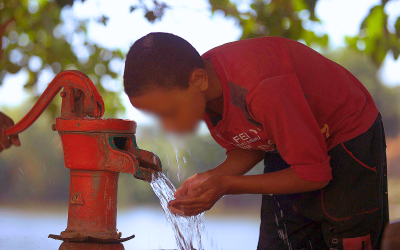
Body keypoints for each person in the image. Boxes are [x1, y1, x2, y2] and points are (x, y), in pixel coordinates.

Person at [123, 32, 389, 250]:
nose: (168, 126)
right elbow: (251, 141)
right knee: (280, 241)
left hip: (346, 136)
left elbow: (314, 174)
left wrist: (226, 184)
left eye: (170, 113)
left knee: (346, 236)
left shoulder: (260, 88)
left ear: (199, 80)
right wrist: (212, 178)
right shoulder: (199, 91)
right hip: (286, 140)